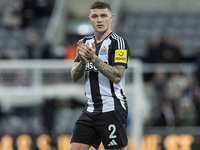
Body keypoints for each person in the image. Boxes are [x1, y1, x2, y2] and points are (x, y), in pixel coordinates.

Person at [70, 1, 130, 150]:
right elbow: (74, 76)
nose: (99, 19)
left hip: (112, 109)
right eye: (95, 16)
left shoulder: (119, 43)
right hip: (90, 110)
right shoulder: (85, 43)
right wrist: (83, 63)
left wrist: (94, 59)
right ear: (90, 19)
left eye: (103, 15)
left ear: (111, 18)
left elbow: (117, 76)